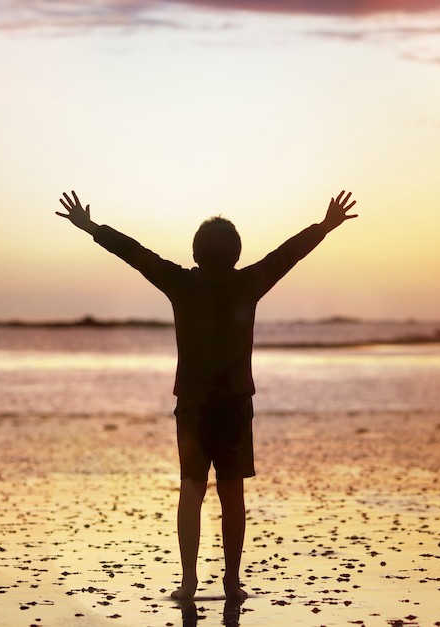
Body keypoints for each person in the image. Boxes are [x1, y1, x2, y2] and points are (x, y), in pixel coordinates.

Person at [55, 189, 358, 601]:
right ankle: (232, 581)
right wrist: (324, 227)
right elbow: (288, 255)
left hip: (195, 407)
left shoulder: (180, 282)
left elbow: (134, 252)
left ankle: (189, 582)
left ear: (196, 254)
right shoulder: (249, 281)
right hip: (235, 404)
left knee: (191, 489)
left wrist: (91, 227)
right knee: (232, 494)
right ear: (235, 255)